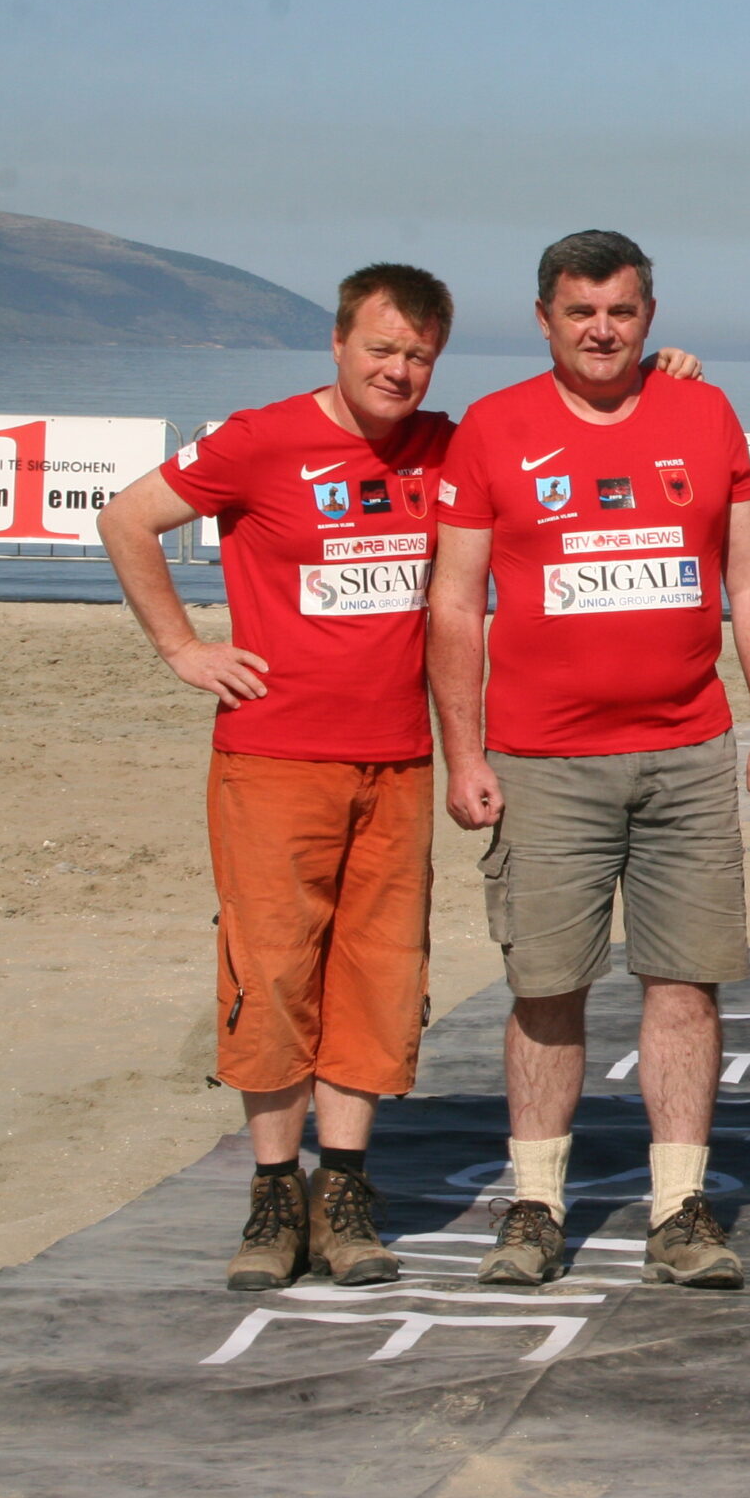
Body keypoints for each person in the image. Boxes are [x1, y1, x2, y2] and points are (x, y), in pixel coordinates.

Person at [431, 229, 750, 1290]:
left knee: (684, 984)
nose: (602, 330)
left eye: (622, 311)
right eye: (581, 311)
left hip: (686, 750)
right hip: (541, 760)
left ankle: (680, 1208)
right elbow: (453, 600)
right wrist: (462, 750)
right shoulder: (493, 427)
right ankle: (535, 1206)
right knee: (548, 988)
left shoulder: (703, 412)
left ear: (650, 318)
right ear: (544, 318)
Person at [99, 264, 457, 1291]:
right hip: (273, 758)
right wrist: (182, 648)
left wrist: (656, 379)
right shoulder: (261, 439)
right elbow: (126, 519)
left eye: (419, 355)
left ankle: (343, 1191)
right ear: (339, 344)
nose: (398, 371)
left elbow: (564, 435)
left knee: (378, 975)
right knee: (272, 975)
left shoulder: (446, 445)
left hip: (399, 757)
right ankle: (273, 1193)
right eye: (381, 349)